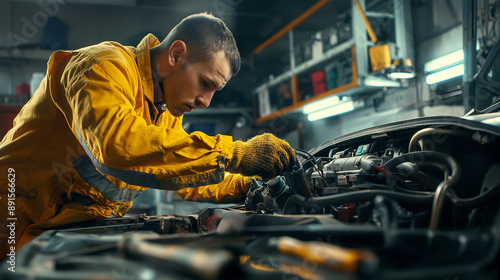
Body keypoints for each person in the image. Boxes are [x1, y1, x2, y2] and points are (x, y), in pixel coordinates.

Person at [0, 12, 295, 256]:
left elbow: (183, 178)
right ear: (176, 54)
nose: (206, 101)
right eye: (205, 83)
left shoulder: (164, 112)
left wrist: (246, 185)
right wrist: (235, 154)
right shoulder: (102, 67)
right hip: (11, 216)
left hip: (55, 233)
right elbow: (117, 145)